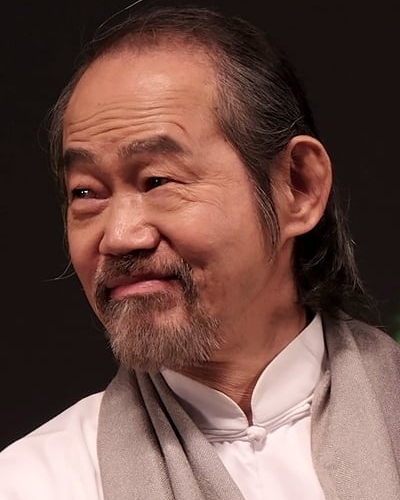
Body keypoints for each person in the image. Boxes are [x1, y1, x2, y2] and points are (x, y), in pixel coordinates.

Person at [1, 3, 399, 499]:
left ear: (298, 187)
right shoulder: (34, 482)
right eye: (86, 192)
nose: (119, 236)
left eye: (158, 180)